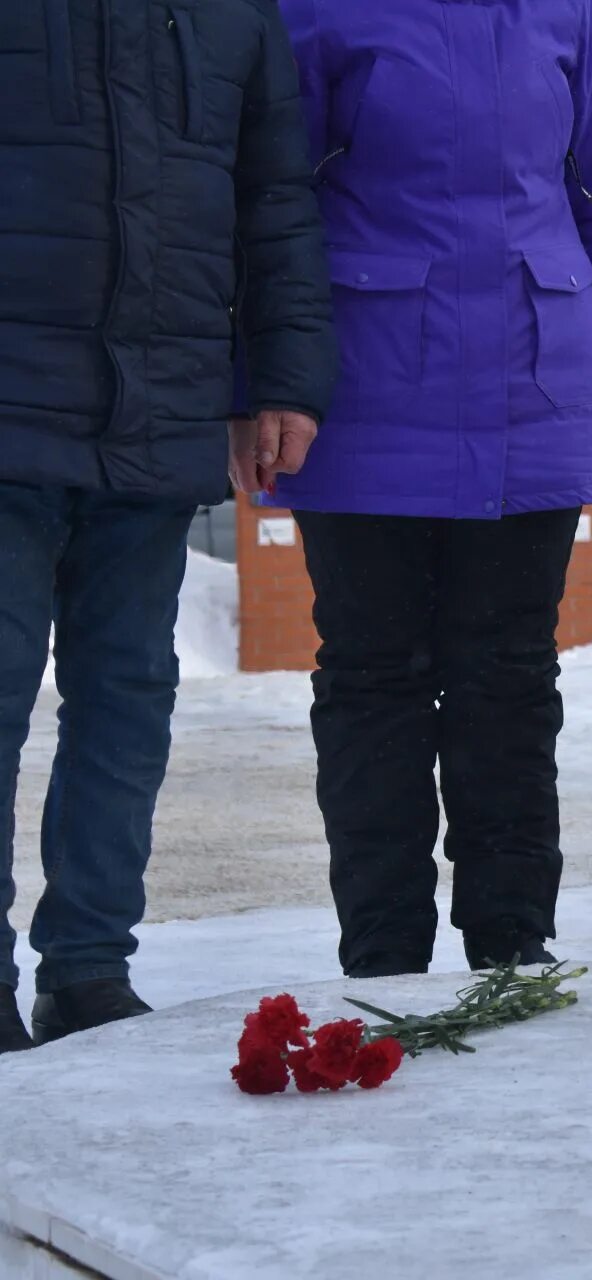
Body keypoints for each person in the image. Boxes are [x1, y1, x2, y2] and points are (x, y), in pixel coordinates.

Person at [266, 0, 592, 977]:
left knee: (510, 682)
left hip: (533, 392)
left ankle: (513, 943)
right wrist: (267, 384)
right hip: (364, 400)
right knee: (374, 682)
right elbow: (268, 202)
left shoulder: (565, 16)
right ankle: (384, 953)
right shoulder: (317, 11)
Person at [0, 0, 334, 1050]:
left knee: (128, 701)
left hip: (156, 407)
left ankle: (89, 969)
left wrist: (284, 380)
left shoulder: (237, 15)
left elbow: (275, 204)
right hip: (9, 408)